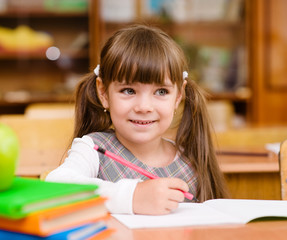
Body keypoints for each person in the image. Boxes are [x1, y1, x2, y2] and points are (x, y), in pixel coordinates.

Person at [46, 24, 229, 215]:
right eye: (128, 91)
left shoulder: (190, 161)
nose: (144, 107)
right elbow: (56, 185)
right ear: (104, 93)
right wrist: (131, 197)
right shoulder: (93, 149)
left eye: (161, 92)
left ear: (178, 96)